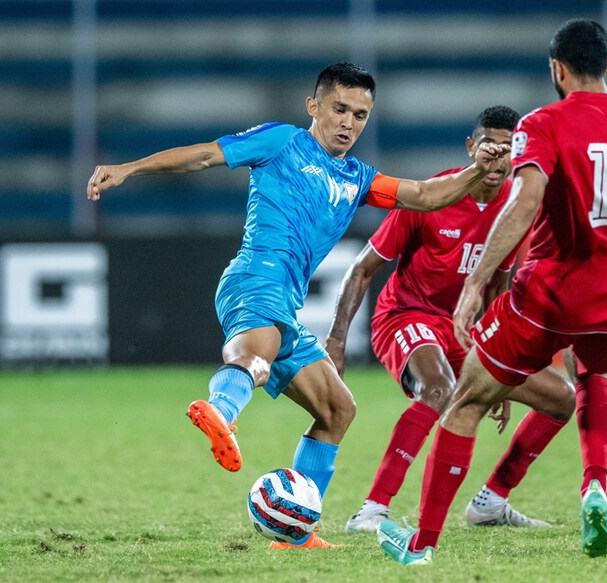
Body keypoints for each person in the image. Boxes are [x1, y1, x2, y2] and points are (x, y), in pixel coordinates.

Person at [85, 62, 511, 550]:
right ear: (314, 106)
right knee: (254, 357)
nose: (349, 123)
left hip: (286, 301)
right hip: (254, 277)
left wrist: (480, 168)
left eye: (361, 115)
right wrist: (128, 168)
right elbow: (206, 156)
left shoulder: (358, 177)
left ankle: (294, 532)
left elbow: (423, 194)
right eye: (339, 109)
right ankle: (221, 409)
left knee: (337, 409)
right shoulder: (283, 142)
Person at [376, 20, 607, 565]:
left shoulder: (545, 123)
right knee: (592, 375)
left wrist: (476, 282)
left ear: (556, 70)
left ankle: (421, 547)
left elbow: (524, 202)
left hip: (553, 296)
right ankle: (593, 486)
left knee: (466, 400)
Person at [325, 106, 576, 533]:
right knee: (438, 387)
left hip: (462, 331)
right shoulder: (433, 196)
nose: (497, 163)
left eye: (507, 152)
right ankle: (371, 509)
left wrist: (501, 358)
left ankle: (491, 501)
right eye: (488, 150)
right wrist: (335, 343)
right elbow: (362, 269)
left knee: (562, 398)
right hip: (405, 316)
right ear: (470, 148)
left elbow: (497, 288)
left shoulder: (518, 209)